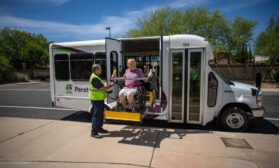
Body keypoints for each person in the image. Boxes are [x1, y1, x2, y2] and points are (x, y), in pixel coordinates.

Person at [89, 64, 115, 138]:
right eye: (100, 69)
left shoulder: (97, 76)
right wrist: (112, 84)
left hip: (99, 99)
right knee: (96, 115)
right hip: (96, 100)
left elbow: (98, 89)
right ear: (96, 70)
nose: (101, 70)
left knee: (100, 115)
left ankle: (99, 128)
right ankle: (94, 132)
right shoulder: (94, 78)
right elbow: (102, 88)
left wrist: (107, 92)